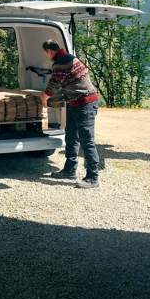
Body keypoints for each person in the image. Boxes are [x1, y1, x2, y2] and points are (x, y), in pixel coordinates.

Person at [41, 39, 100, 189]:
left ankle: (93, 177)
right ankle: (69, 169)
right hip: (76, 103)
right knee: (71, 135)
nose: (47, 57)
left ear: (49, 51)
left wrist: (45, 99)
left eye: (45, 54)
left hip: (85, 104)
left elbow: (54, 83)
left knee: (87, 140)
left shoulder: (61, 61)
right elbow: (66, 83)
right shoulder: (68, 58)